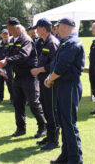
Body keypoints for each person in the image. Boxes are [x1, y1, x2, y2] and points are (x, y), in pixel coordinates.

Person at [0, 17, 46, 138]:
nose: (9, 32)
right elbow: (9, 54)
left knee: (33, 102)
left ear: (17, 28)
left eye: (10, 29)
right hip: (18, 76)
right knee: (17, 103)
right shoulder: (12, 40)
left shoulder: (26, 40)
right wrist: (3, 67)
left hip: (29, 76)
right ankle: (21, 128)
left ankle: (43, 126)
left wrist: (7, 61)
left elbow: (23, 55)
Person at [44, 18, 84, 164]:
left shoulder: (72, 42)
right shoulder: (66, 42)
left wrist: (49, 79)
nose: (57, 29)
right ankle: (66, 155)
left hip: (70, 86)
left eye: (58, 26)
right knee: (63, 121)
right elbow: (57, 64)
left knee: (69, 123)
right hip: (63, 85)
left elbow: (62, 67)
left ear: (66, 27)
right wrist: (51, 77)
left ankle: (75, 159)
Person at [31, 18, 60, 150]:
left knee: (51, 110)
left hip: (50, 82)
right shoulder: (42, 42)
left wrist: (39, 70)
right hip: (43, 81)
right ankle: (49, 136)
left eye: (37, 28)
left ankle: (54, 140)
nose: (35, 31)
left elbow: (54, 65)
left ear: (43, 29)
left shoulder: (52, 43)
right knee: (46, 109)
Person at [0, 29, 13, 104]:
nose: (5, 35)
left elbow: (10, 55)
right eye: (3, 34)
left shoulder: (11, 44)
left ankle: (13, 98)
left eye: (6, 34)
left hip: (8, 66)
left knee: (10, 83)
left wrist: (0, 58)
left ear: (9, 34)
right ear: (1, 35)